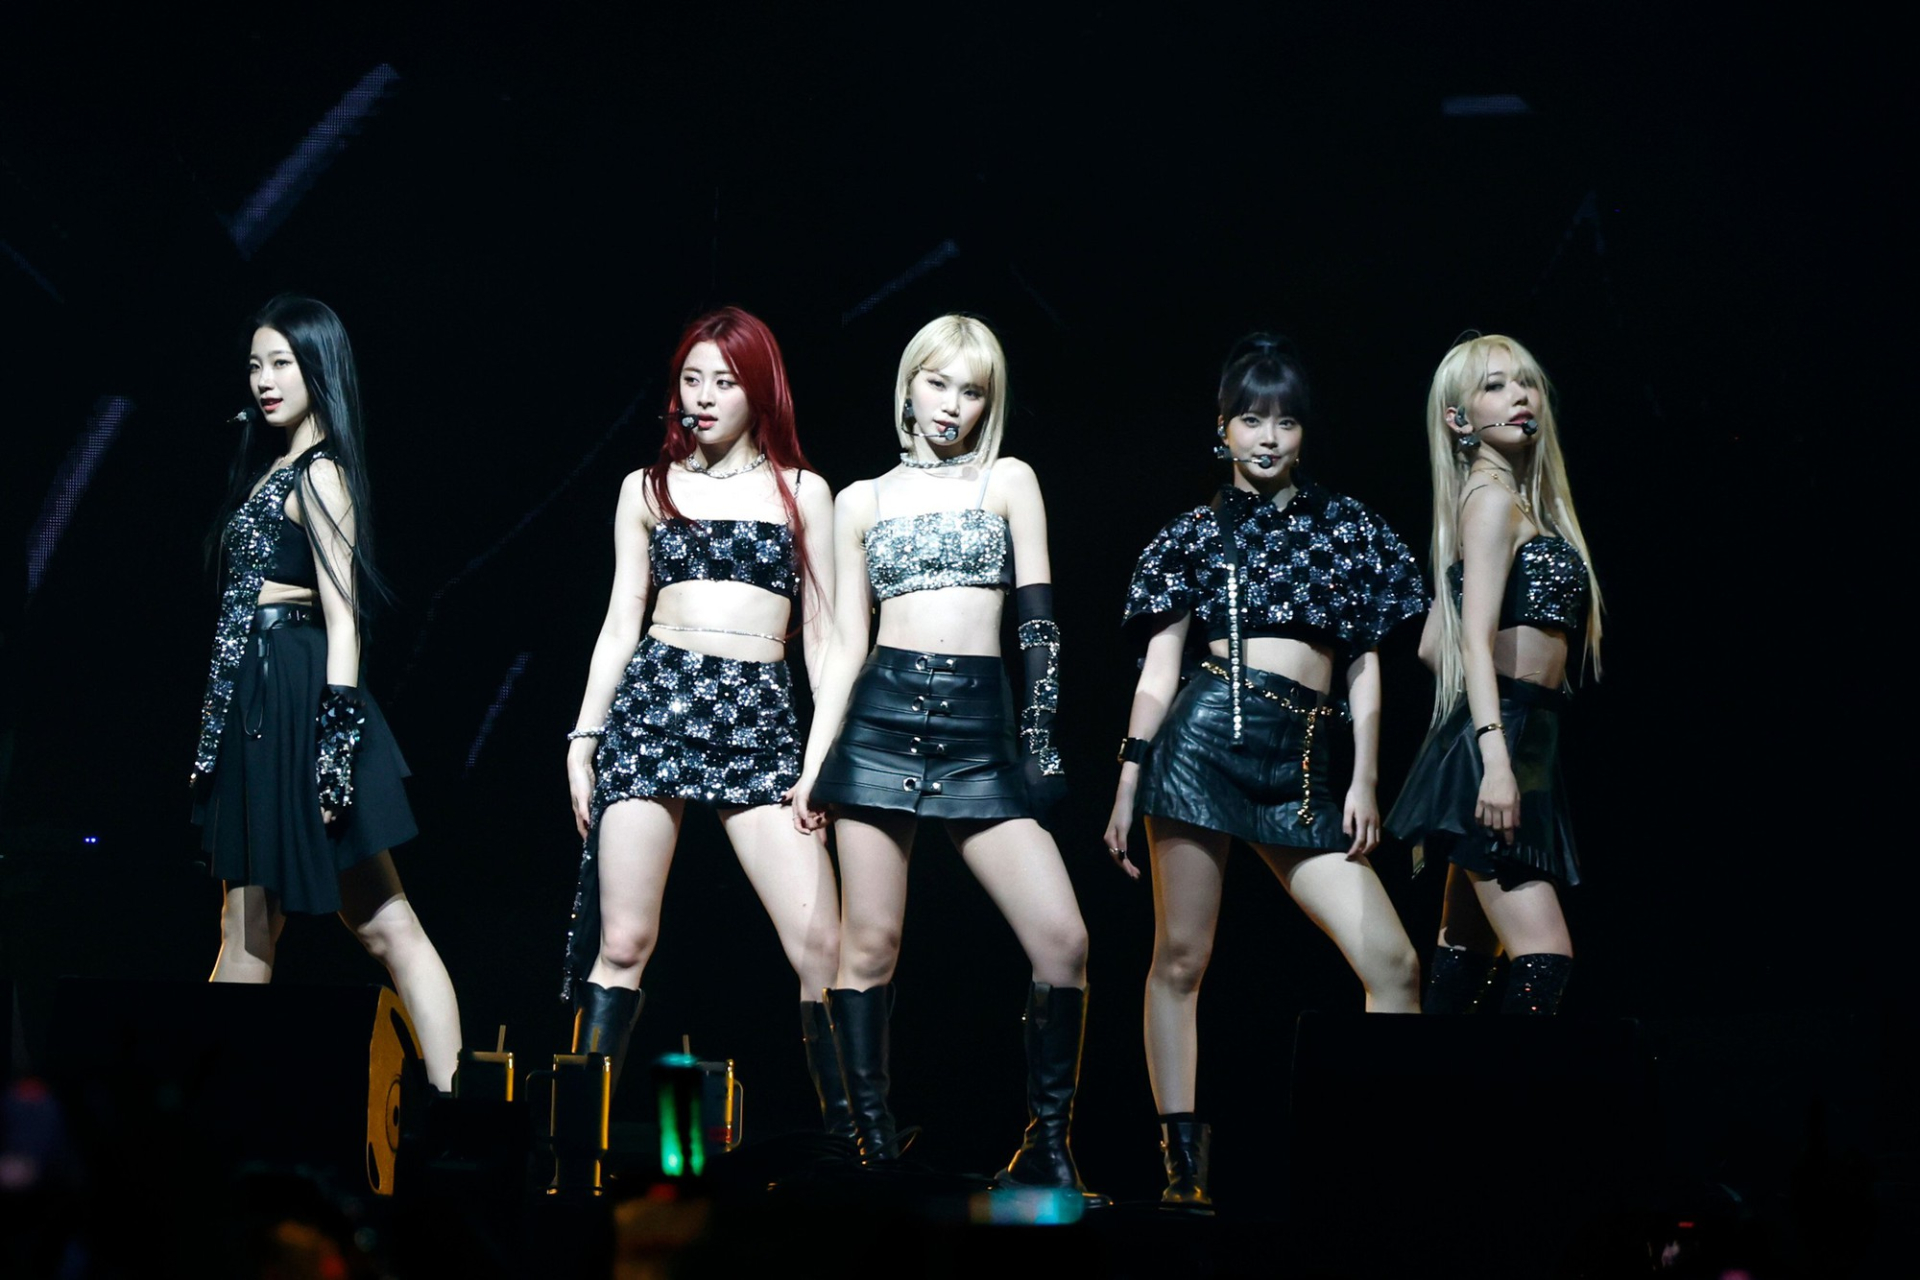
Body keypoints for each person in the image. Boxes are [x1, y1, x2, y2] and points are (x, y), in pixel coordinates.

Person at [1102, 334, 1427, 1210]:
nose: (1269, 437)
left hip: (1306, 768)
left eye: (1285, 421)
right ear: (1223, 428)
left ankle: (1379, 1165)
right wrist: (1129, 779)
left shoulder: (1349, 526)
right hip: (1203, 746)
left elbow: (1365, 664)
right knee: (1180, 957)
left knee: (1394, 964)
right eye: (1251, 419)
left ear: (1305, 432)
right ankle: (1183, 1172)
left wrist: (1366, 779)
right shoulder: (1192, 534)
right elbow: (1157, 674)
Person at [792, 314, 1098, 1198]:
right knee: (871, 945)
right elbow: (845, 644)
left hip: (979, 732)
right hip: (879, 720)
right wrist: (816, 761)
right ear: (908, 385)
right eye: (938, 383)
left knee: (1064, 940)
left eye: (972, 390)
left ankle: (1047, 1148)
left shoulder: (1009, 480)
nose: (952, 405)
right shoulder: (860, 499)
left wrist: (1039, 741)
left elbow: (1038, 627)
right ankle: (870, 1153)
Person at [561, 307, 846, 1131]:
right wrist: (584, 738)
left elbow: (825, 639)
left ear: (760, 390)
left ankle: (855, 1146)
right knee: (623, 943)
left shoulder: (803, 492)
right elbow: (620, 622)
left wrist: (820, 757)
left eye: (725, 381)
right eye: (693, 379)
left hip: (757, 718)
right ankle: (575, 1146)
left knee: (822, 947)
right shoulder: (647, 488)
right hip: (656, 706)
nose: (706, 396)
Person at [192, 295, 463, 1090]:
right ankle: (202, 1106)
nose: (265, 380)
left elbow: (345, 620)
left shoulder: (321, 474)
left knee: (366, 926)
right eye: (255, 364)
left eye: (282, 362)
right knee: (270, 923)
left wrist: (333, 750)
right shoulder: (272, 469)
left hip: (296, 702)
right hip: (259, 700)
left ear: (318, 368)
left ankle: (457, 1105)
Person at [1387, 333, 1603, 1016]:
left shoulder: (1506, 499)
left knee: (1464, 958)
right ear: (1458, 419)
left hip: (1523, 737)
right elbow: (1471, 645)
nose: (1519, 396)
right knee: (1544, 957)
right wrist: (1494, 758)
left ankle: (1434, 1087)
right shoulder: (1489, 499)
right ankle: (1512, 1093)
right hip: (1499, 741)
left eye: (1526, 382)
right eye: (1495, 386)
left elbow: (1433, 646)